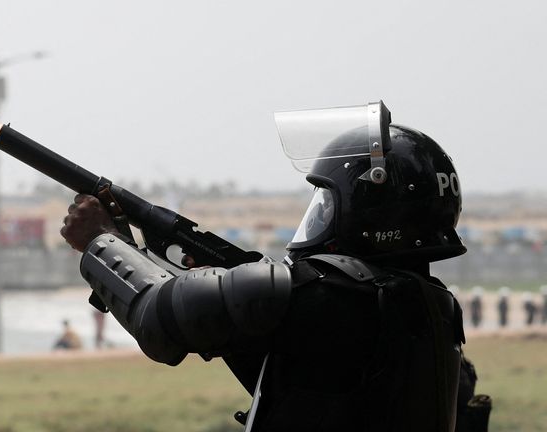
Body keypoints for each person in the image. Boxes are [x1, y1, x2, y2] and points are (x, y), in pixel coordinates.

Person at [61, 101, 486, 431]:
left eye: (326, 201)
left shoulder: (325, 295)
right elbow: (303, 385)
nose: (320, 214)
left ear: (368, 207)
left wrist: (100, 241)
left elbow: (157, 321)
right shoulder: (431, 310)